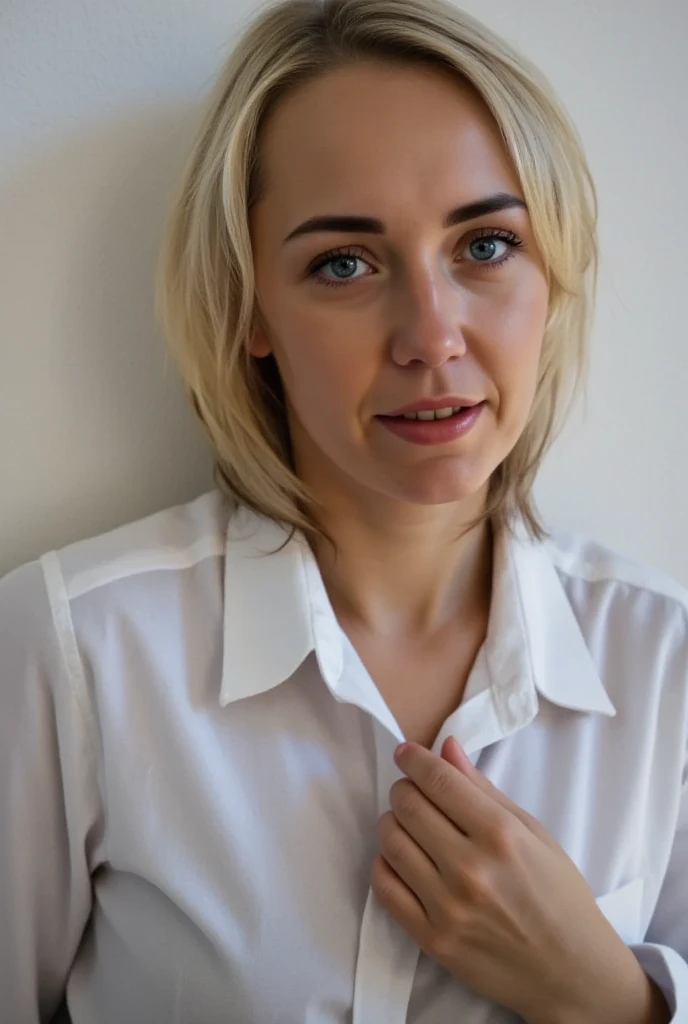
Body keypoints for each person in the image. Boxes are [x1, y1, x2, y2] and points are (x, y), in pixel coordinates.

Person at [0, 0, 685, 1020]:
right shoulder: (75, 647)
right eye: (344, 264)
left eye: (485, 245)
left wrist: (612, 998)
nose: (430, 336)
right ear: (249, 311)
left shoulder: (666, 663)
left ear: (553, 274)